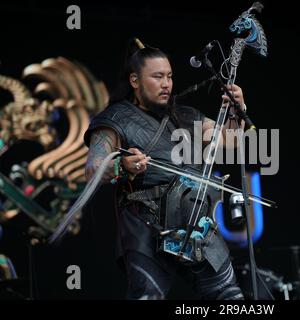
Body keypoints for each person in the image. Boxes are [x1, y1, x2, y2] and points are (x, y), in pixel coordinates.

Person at [83, 38, 245, 300]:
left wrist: (237, 109)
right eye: (158, 77)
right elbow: (93, 168)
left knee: (230, 297)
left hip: (197, 223)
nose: (166, 84)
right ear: (135, 81)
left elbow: (230, 141)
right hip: (146, 225)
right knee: (148, 297)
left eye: (169, 76)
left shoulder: (187, 115)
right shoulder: (115, 118)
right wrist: (121, 165)